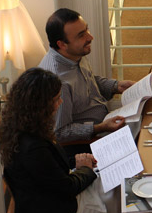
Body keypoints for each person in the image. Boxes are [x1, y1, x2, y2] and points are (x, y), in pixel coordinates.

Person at [0, 68, 120, 213]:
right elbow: (67, 188)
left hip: (53, 200)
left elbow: (48, 168)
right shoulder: (32, 147)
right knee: (126, 206)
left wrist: (77, 162)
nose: (61, 102)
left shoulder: (20, 128)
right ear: (40, 105)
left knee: (117, 187)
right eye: (56, 99)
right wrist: (85, 169)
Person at [39, 8, 134, 143]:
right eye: (81, 35)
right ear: (62, 44)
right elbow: (59, 132)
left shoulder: (74, 54)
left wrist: (116, 86)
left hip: (106, 118)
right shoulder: (58, 82)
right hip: (92, 140)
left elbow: (88, 81)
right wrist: (99, 128)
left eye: (87, 30)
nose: (90, 37)